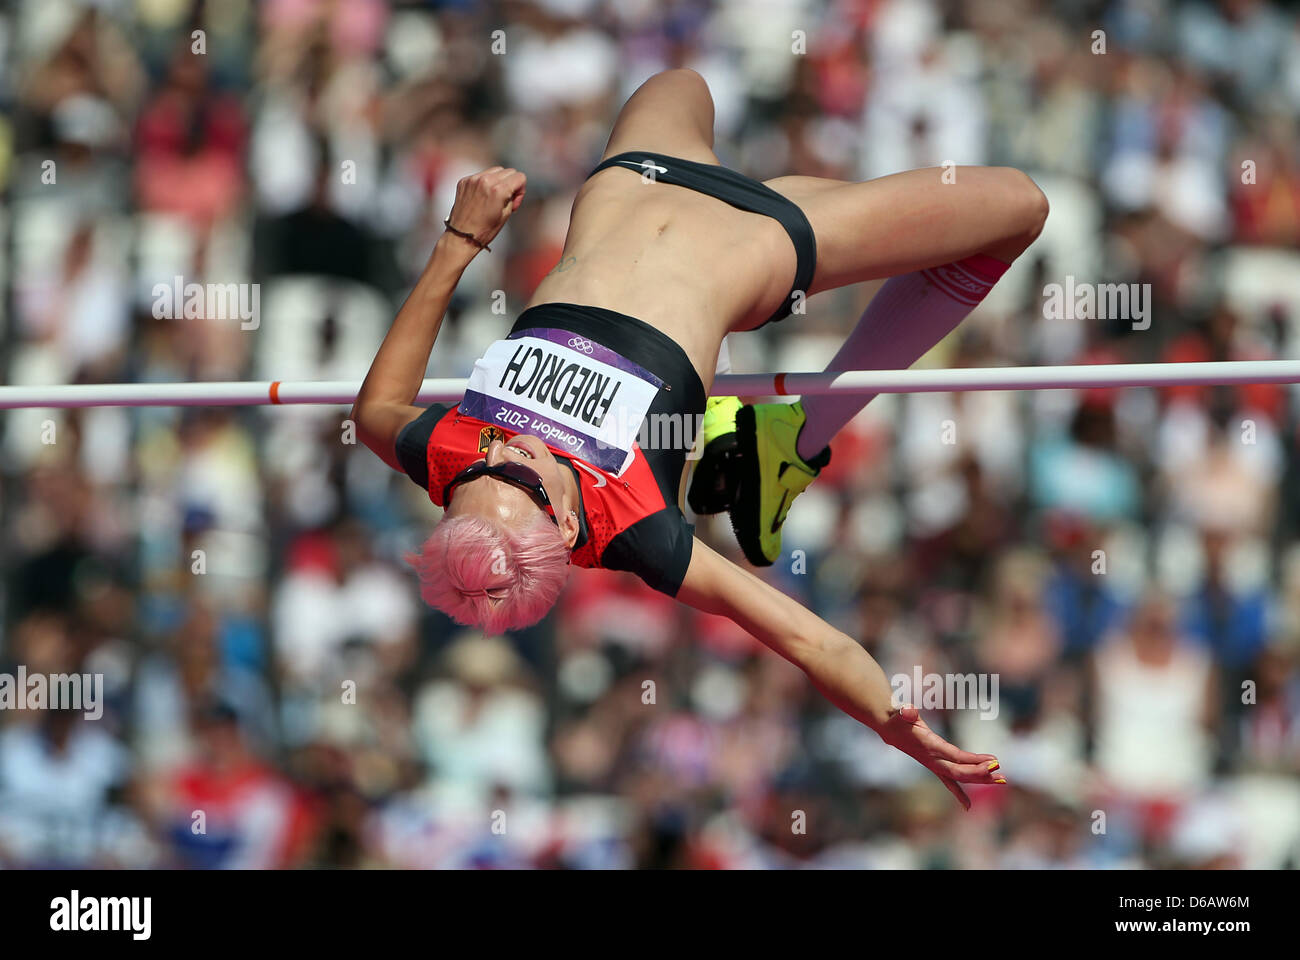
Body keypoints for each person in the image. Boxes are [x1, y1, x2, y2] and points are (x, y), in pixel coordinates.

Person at [352, 70, 1047, 807]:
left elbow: (377, 408)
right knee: (1018, 207)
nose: (503, 451)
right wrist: (887, 720)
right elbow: (806, 639)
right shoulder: (638, 529)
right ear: (563, 522)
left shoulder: (453, 457)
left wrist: (460, 242)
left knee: (682, 78)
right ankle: (798, 437)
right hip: (766, 240)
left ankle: (808, 210)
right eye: (519, 483)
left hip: (642, 175)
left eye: (473, 480)